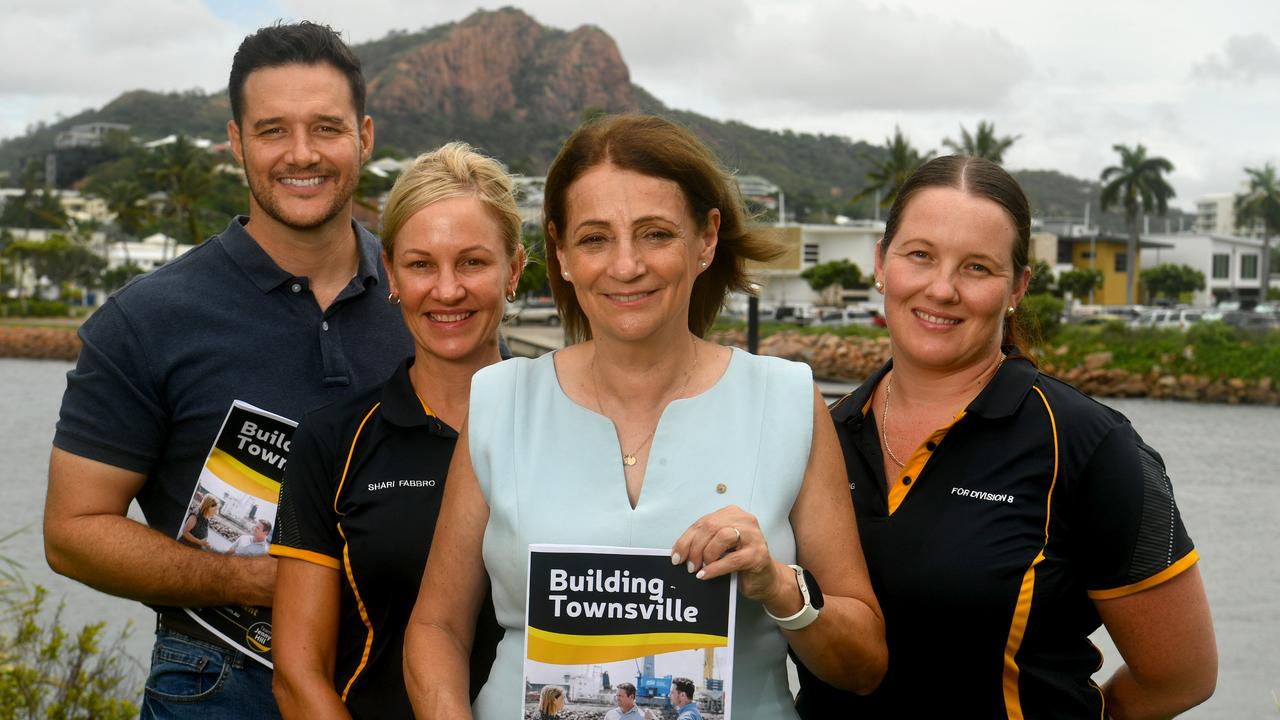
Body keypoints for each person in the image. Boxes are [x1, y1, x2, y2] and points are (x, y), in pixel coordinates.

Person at [403, 114, 887, 719]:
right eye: (595, 238)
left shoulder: (786, 400)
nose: (626, 265)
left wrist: (780, 585)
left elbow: (863, 664)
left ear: (707, 239)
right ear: (561, 251)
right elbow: (436, 628)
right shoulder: (500, 402)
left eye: (656, 233)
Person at [43, 21, 411, 718]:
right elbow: (71, 533)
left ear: (364, 137)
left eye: (326, 129)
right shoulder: (145, 319)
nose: (302, 155)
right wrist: (263, 581)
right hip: (224, 679)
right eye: (273, 130)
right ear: (237, 143)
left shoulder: (431, 297)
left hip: (404, 676)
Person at [796, 155, 1217, 718]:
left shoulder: (1090, 445)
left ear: (1017, 286)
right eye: (920, 255)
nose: (942, 288)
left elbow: (1180, 676)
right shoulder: (817, 431)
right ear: (881, 262)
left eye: (977, 268)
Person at [269, 143, 520, 719]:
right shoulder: (333, 439)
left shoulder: (581, 431)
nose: (448, 289)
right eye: (421, 264)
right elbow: (298, 676)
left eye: (473, 262)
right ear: (391, 275)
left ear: (515, 270)